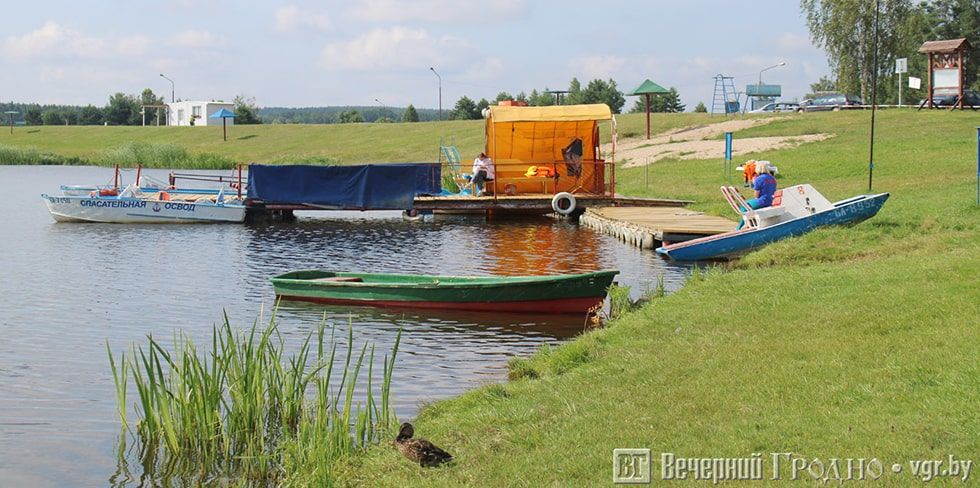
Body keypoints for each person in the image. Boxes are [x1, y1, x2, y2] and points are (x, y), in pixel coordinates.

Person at [736, 160, 777, 229]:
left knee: (744, 206)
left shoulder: (759, 179)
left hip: (762, 201)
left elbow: (756, 194)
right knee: (748, 207)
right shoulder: (772, 178)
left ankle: (740, 227)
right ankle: (747, 223)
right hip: (771, 200)